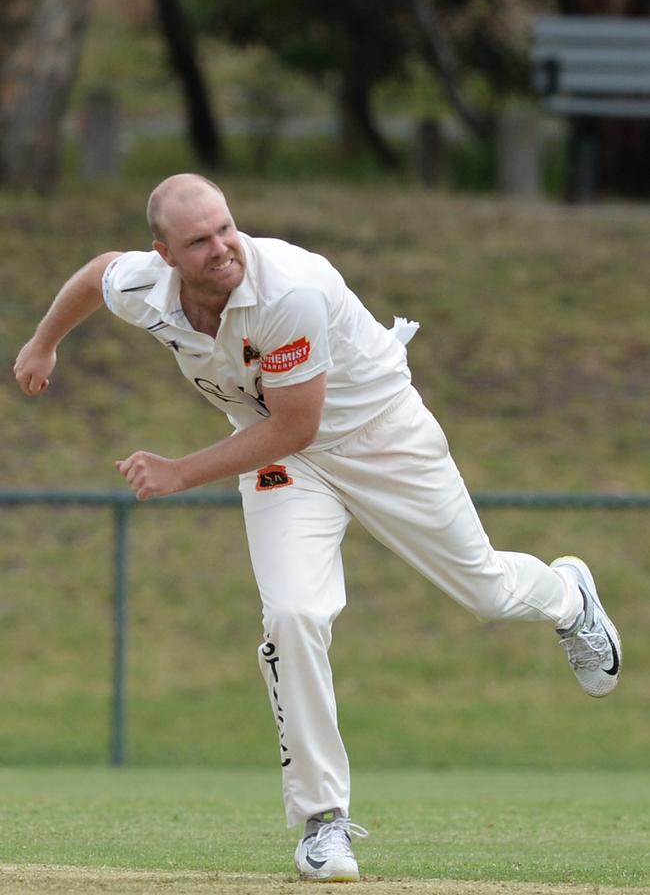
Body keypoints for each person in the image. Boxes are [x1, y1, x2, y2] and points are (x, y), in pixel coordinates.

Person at [14, 173, 621, 882]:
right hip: (287, 466)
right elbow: (95, 276)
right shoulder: (145, 286)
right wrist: (42, 342)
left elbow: (296, 422)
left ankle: (569, 598)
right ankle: (323, 823)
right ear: (165, 254)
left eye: (226, 228)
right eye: (199, 240)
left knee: (485, 590)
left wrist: (179, 472)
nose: (221, 248)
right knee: (294, 615)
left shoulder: (288, 290)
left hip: (379, 436)